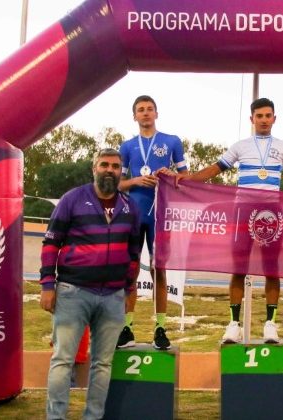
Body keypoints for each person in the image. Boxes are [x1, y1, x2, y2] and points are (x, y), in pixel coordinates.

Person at [176, 98, 283, 344]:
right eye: (260, 116)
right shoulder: (240, 146)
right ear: (252, 119)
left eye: (268, 116)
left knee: (271, 270)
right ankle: (233, 324)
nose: (264, 120)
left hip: (271, 214)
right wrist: (187, 181)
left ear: (274, 118)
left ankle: (270, 324)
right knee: (239, 268)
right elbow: (215, 169)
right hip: (243, 212)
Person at [40, 148, 141, 419]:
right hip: (74, 292)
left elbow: (134, 254)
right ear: (94, 169)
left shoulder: (130, 207)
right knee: (63, 360)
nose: (110, 170)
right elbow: (51, 243)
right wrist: (48, 285)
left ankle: (93, 417)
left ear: (122, 171)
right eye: (104, 165)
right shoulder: (72, 199)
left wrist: (129, 289)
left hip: (112, 296)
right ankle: (56, 417)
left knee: (103, 364)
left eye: (116, 166)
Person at [117, 95, 188, 350]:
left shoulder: (172, 141)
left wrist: (172, 175)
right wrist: (136, 181)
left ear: (156, 113)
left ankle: (160, 328)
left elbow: (185, 177)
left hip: (160, 213)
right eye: (140, 110)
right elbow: (117, 183)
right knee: (131, 271)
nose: (145, 113)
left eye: (149, 109)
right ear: (134, 116)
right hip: (135, 214)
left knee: (160, 270)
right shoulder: (126, 146)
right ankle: (128, 327)